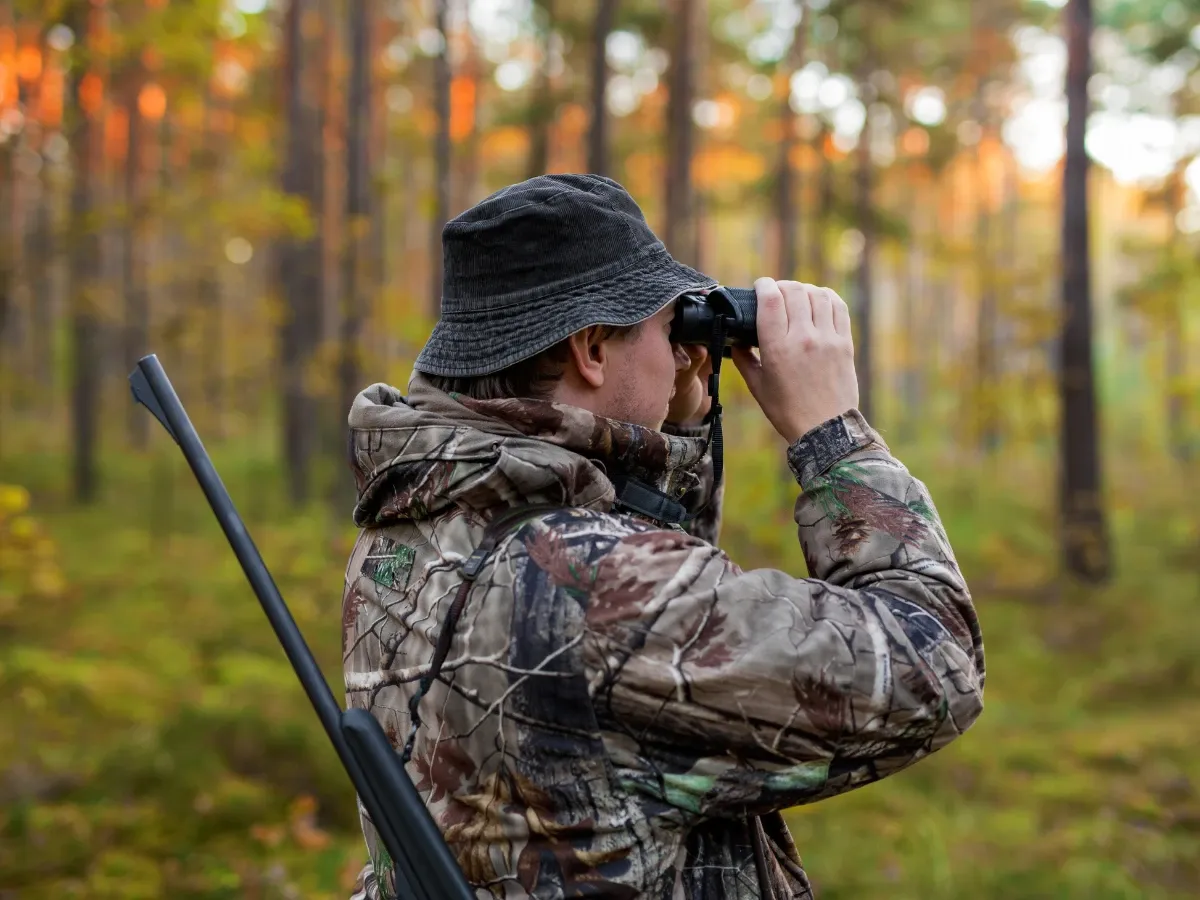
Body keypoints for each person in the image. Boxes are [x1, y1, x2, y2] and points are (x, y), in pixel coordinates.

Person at [342, 174, 984, 899]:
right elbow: (935, 666)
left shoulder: (414, 523)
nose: (681, 352)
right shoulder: (597, 587)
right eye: (663, 326)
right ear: (590, 348)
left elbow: (626, 620)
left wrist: (671, 433)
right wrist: (834, 439)